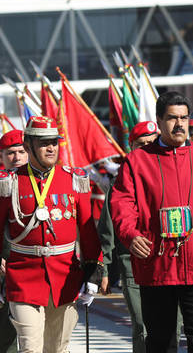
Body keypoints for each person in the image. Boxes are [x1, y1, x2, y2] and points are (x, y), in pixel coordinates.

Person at [111, 91, 193, 353]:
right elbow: (122, 204)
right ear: (160, 121)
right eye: (172, 118)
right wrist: (130, 234)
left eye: (184, 118)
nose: (180, 124)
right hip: (157, 264)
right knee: (160, 340)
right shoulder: (137, 161)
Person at [0, 116, 103, 352]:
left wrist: (94, 270)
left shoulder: (74, 179)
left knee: (57, 347)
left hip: (64, 277)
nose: (51, 148)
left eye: (54, 142)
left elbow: (87, 231)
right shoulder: (10, 182)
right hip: (23, 277)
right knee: (30, 346)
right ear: (29, 147)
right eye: (44, 143)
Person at [98, 121, 159, 353]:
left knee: (173, 326)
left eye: (152, 143)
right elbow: (106, 230)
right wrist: (103, 269)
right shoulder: (121, 181)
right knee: (143, 326)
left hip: (169, 262)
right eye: (141, 144)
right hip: (133, 264)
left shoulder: (175, 175)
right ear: (131, 148)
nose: (147, 148)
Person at [0, 130, 27, 353]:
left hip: (32, 268)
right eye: (10, 153)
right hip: (3, 270)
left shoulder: (43, 183)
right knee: (5, 336)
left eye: (21, 151)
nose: (17, 157)